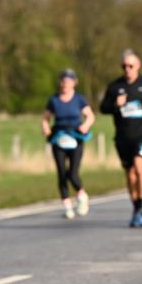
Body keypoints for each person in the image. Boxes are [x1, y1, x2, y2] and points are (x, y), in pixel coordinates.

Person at [99, 49, 142, 228]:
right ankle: (136, 208)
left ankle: (141, 207)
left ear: (138, 66)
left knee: (139, 168)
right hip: (122, 137)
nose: (127, 69)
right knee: (130, 175)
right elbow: (103, 108)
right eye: (124, 66)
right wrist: (115, 104)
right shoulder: (115, 87)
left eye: (130, 65)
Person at [42, 69, 95, 219]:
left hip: (75, 137)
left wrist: (85, 126)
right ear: (60, 82)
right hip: (58, 138)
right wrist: (45, 127)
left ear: (74, 83)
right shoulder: (54, 100)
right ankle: (67, 207)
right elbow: (46, 118)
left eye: (69, 81)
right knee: (61, 172)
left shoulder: (79, 99)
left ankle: (81, 194)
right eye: (63, 81)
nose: (65, 84)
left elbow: (90, 116)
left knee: (72, 173)